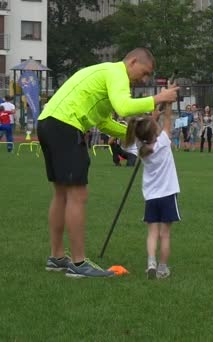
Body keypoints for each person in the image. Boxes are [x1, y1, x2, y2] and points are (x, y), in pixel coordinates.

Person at [38, 47, 179, 278]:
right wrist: (159, 98)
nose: (143, 80)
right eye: (144, 73)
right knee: (77, 195)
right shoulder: (116, 73)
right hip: (66, 125)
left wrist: (138, 132)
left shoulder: (105, 76)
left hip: (48, 123)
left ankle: (57, 257)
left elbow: (104, 123)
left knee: (62, 194)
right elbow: (124, 107)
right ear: (132, 62)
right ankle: (79, 263)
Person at [125, 95, 180, 280]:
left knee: (152, 233)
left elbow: (145, 133)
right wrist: (169, 104)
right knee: (165, 234)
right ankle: (162, 268)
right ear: (153, 131)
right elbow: (168, 121)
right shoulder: (163, 142)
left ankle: (151, 262)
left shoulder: (140, 147)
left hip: (151, 196)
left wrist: (153, 117)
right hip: (168, 195)